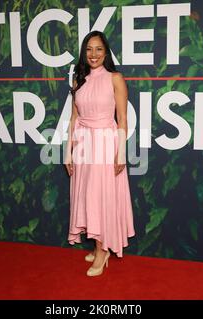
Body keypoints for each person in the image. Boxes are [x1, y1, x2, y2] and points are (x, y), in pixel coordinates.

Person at [64, 31, 135, 276]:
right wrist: (68, 151)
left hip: (105, 143)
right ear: (84, 53)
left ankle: (103, 249)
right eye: (89, 49)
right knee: (87, 196)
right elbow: (73, 118)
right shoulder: (78, 80)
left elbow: (122, 119)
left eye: (99, 49)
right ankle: (97, 245)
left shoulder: (115, 78)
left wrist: (121, 153)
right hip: (83, 144)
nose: (93, 54)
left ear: (106, 53)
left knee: (101, 196)